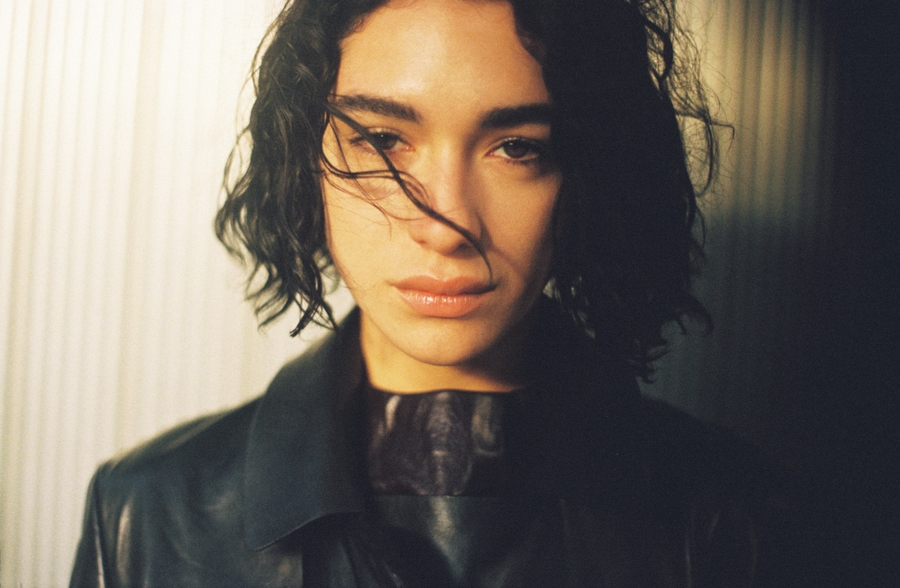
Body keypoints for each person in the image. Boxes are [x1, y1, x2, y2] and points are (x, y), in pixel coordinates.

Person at [70, 0, 796, 586]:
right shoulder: (145, 515)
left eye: (518, 147)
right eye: (382, 141)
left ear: (592, 173)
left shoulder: (733, 517)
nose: (446, 224)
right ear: (304, 160)